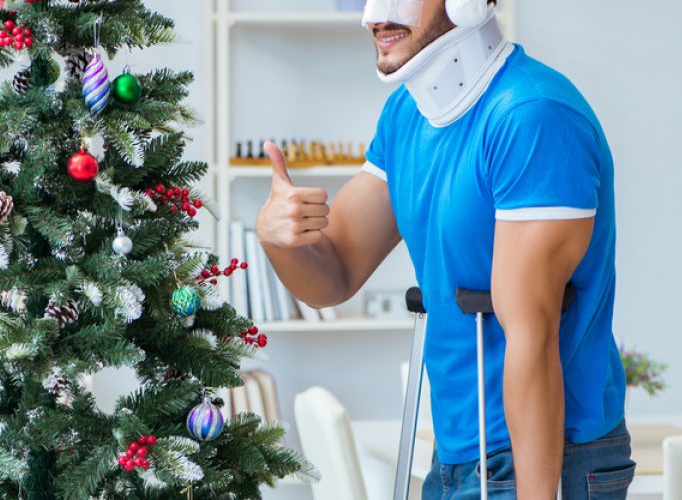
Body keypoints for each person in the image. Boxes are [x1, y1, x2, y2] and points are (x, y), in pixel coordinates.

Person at [255, 0, 633, 497]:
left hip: (546, 456)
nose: (373, 17)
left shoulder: (533, 118)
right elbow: (334, 274)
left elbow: (533, 334)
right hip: (458, 448)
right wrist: (278, 238)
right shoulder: (408, 115)